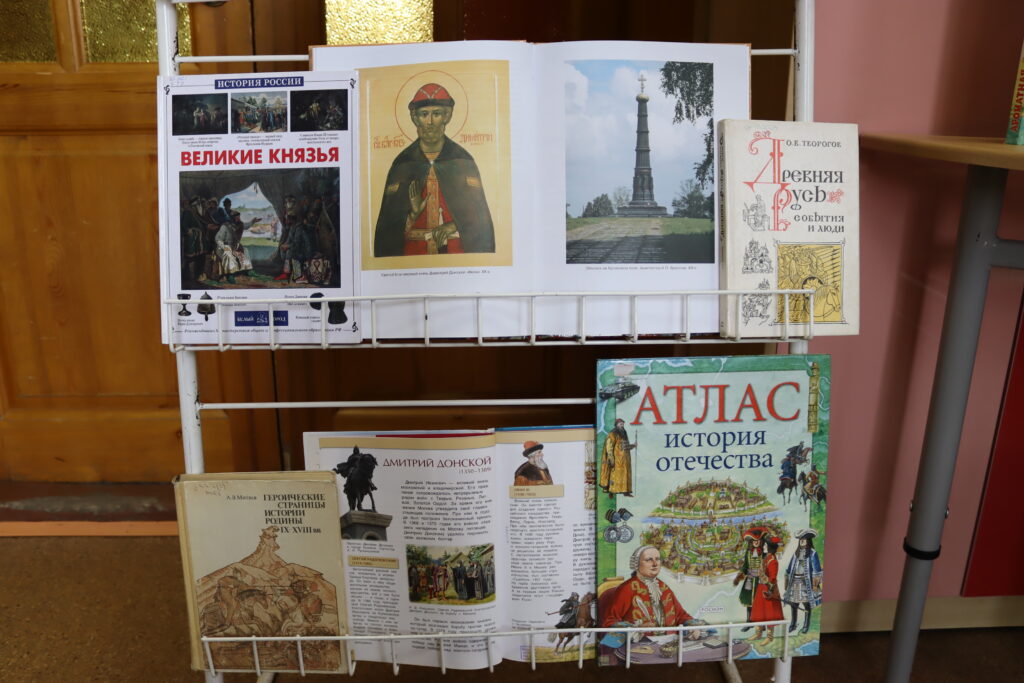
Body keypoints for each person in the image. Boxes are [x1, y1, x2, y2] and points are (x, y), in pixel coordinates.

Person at [373, 83, 495, 257]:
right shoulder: (402, 164)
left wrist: (454, 225)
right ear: (415, 118)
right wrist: (413, 214)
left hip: (455, 256)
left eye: (436, 114)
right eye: (424, 114)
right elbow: (387, 233)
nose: (429, 122)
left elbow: (480, 222)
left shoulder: (463, 162)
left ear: (447, 116)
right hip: (413, 256)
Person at [601, 545, 699, 641]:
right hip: (639, 645)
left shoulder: (664, 587)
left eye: (657, 559)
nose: (655, 564)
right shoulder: (627, 589)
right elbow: (609, 622)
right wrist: (636, 628)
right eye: (649, 560)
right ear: (636, 564)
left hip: (669, 642)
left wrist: (692, 626)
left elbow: (680, 615)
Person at [734, 527, 784, 645]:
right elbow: (745, 566)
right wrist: (740, 576)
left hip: (762, 583)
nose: (756, 543)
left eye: (758, 541)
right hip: (750, 579)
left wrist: (766, 581)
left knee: (765, 609)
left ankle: (767, 633)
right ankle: (750, 623)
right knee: (750, 604)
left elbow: (770, 574)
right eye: (754, 541)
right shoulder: (749, 552)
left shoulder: (766, 555)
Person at [783, 529, 823, 634]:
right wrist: (786, 579)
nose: (802, 541)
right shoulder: (796, 554)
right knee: (793, 604)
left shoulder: (813, 553)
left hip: (806, 583)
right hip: (794, 582)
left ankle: (806, 625)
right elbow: (789, 568)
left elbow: (817, 570)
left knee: (806, 604)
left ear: (808, 541)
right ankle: (793, 624)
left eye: (804, 539)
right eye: (800, 539)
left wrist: (815, 584)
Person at [599, 418, 635, 497]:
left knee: (625, 475)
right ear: (616, 424)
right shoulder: (612, 433)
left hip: (625, 460)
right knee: (614, 475)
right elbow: (609, 447)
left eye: (623, 424)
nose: (622, 425)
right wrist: (611, 459)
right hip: (617, 460)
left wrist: (633, 445)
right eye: (620, 424)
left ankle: (626, 492)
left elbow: (625, 446)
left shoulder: (624, 433)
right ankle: (611, 492)